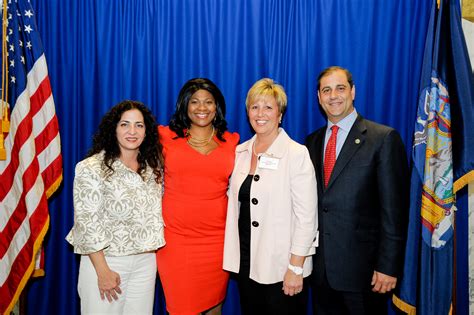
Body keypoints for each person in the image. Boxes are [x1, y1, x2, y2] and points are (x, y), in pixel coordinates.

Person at [305, 66, 409, 315]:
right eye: (326, 90)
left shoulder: (382, 138)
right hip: (321, 274)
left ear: (353, 91)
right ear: (319, 98)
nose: (333, 96)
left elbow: (394, 210)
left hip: (366, 275)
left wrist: (388, 266)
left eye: (340, 88)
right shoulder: (311, 142)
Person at [223, 78, 318, 314]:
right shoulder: (240, 153)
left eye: (268, 107)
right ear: (247, 113)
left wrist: (296, 267)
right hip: (246, 263)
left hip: (282, 267)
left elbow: (307, 218)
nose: (260, 113)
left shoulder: (296, 154)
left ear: (280, 114)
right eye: (255, 107)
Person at [66, 100, 165, 314]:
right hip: (106, 262)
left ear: (147, 131)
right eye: (124, 124)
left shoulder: (153, 169)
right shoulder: (91, 168)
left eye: (139, 125)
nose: (132, 131)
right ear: (114, 129)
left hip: (145, 263)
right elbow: (87, 222)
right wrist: (102, 271)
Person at [156, 78, 239, 315]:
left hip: (217, 242)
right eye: (195, 102)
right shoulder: (165, 136)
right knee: (181, 309)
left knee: (214, 309)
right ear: (185, 105)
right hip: (176, 241)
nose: (201, 108)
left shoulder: (231, 142)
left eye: (208, 102)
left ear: (217, 107)